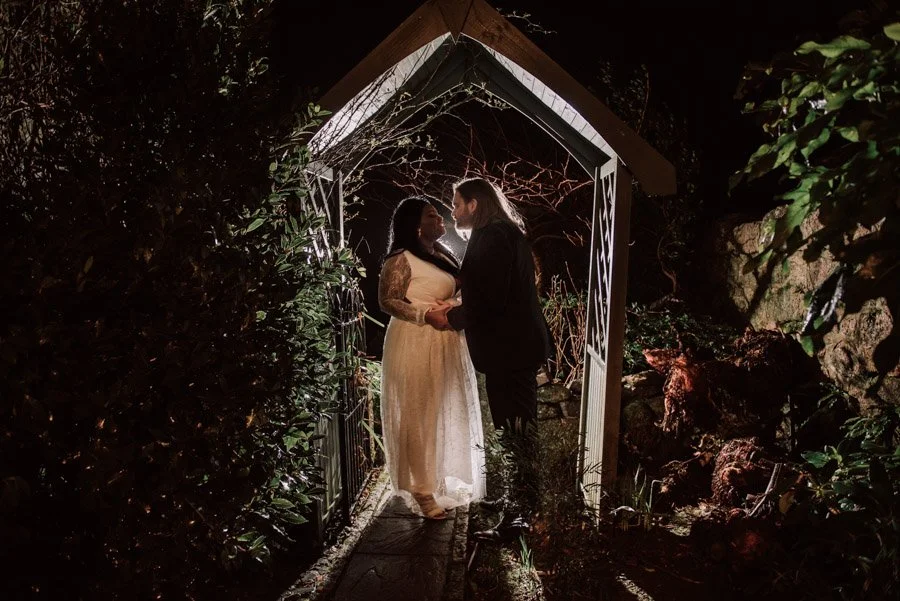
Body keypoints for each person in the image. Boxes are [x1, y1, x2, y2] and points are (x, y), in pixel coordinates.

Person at [427, 176, 551, 543]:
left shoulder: (495, 236)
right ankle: (518, 500)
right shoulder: (497, 233)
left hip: (511, 350)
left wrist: (450, 318)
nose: (452, 212)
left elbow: (491, 300)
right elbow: (488, 290)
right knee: (511, 428)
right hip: (510, 349)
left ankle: (519, 519)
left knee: (517, 432)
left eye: (456, 204)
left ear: (474, 204)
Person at [378, 196, 486, 519]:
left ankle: (436, 478)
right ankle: (422, 490)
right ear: (415, 224)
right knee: (419, 414)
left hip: (445, 343)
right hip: (415, 340)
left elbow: (458, 291)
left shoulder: (441, 254)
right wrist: (426, 314)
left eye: (439, 213)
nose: (440, 217)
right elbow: (388, 301)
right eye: (431, 214)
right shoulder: (401, 259)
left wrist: (453, 308)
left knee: (439, 410)